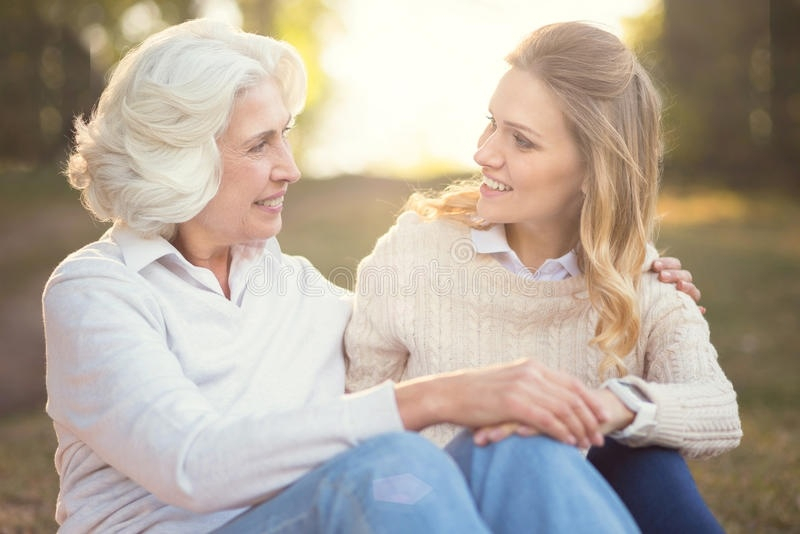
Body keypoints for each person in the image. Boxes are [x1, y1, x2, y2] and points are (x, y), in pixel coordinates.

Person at [42, 18, 685, 533]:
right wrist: (430, 399)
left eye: (285, 137)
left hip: (321, 518)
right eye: (260, 144)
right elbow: (193, 464)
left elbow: (445, 323)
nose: (289, 167)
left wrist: (620, 280)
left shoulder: (297, 290)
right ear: (177, 159)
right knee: (388, 466)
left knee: (517, 447)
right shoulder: (99, 292)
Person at [345, 21, 742, 533]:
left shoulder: (640, 279)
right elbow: (360, 422)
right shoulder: (416, 251)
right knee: (526, 443)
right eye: (491, 123)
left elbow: (718, 413)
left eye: (522, 141)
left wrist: (607, 408)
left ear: (593, 168)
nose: (484, 152)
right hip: (436, 511)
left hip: (567, 514)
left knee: (643, 455)